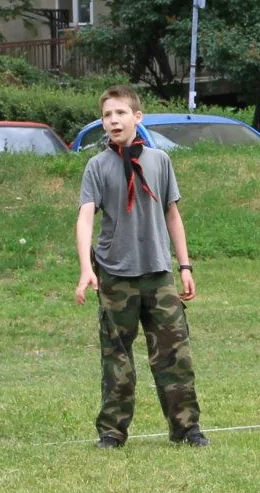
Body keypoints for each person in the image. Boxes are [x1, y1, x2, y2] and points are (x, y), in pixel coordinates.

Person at [75, 86, 206, 447]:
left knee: (174, 355)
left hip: (158, 273)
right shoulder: (97, 166)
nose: (113, 121)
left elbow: (172, 215)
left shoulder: (160, 160)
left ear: (137, 117)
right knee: (116, 359)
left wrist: (184, 266)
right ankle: (112, 433)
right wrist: (87, 267)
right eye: (107, 115)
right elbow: (86, 216)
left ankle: (186, 428)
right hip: (116, 276)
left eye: (120, 113)